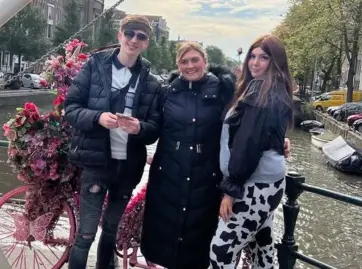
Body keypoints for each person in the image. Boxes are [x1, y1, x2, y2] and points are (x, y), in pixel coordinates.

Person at [140, 41, 291, 269]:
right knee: (261, 244)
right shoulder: (168, 91)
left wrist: (277, 141)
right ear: (178, 65)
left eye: (195, 59)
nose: (190, 65)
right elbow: (155, 125)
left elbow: (247, 135)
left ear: (205, 61)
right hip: (172, 170)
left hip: (210, 173)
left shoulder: (227, 90)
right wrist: (139, 130)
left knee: (212, 244)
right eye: (184, 61)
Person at [63, 15, 161, 269]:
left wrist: (140, 128)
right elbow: (71, 108)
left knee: (110, 230)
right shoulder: (95, 66)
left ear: (146, 43)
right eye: (130, 33)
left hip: (128, 167)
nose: (134, 39)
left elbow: (155, 128)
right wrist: (97, 118)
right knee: (85, 234)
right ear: (120, 35)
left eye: (141, 36)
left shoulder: (151, 81)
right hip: (96, 162)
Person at [209, 34, 293, 269]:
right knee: (262, 249)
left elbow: (248, 144)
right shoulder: (270, 90)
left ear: (275, 62)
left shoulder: (261, 95)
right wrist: (281, 141)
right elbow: (268, 132)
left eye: (263, 58)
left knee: (220, 251)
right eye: (252, 57)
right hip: (268, 183)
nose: (255, 63)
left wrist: (231, 189)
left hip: (253, 186)